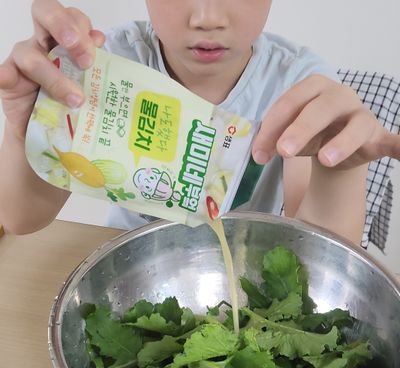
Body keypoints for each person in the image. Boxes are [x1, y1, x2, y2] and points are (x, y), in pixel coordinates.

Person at [0, 0, 397, 244]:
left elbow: (313, 254)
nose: (208, 17)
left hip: (251, 287)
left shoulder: (299, 82)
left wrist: (339, 170)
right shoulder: (107, 64)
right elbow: (20, 218)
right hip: (129, 271)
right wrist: (25, 130)